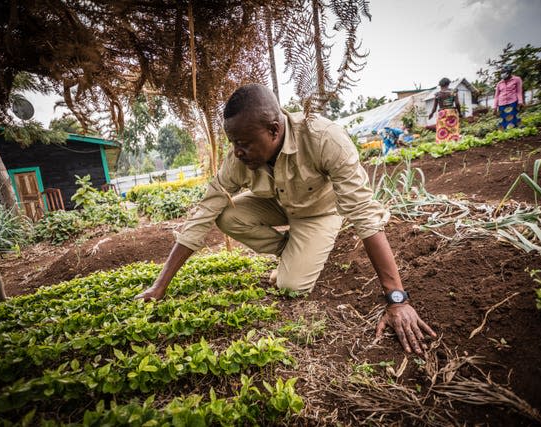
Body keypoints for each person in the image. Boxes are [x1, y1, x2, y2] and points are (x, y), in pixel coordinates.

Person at [135, 83, 436, 355]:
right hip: (279, 205)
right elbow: (205, 211)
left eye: (245, 143)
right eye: (233, 143)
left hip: (320, 212)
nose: (237, 152)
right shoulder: (239, 156)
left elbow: (364, 216)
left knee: (291, 286)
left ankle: (305, 249)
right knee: (226, 214)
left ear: (274, 130)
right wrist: (160, 285)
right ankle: (293, 249)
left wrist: (397, 299)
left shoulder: (323, 138)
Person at [427, 77, 462, 143]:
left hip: (442, 113)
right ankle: (454, 142)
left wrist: (431, 113)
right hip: (451, 112)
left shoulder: (437, 94)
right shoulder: (453, 92)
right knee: (453, 129)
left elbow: (434, 107)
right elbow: (457, 103)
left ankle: (442, 144)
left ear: (440, 85)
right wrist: (460, 113)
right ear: (448, 84)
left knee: (442, 129)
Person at [493, 65, 524, 129]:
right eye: (502, 73)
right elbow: (496, 96)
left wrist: (520, 101)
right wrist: (495, 107)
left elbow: (519, 91)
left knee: (513, 119)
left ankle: (514, 133)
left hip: (512, 102)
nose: (503, 74)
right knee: (503, 121)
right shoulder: (499, 83)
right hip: (501, 104)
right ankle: (505, 135)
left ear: (509, 72)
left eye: (505, 72)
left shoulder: (517, 79)